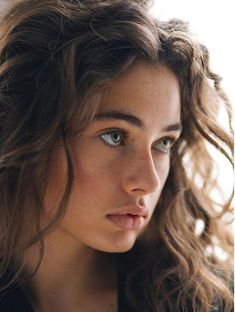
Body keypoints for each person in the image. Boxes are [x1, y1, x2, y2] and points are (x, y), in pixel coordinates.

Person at [0, 0, 233, 311]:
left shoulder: (201, 299)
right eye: (115, 136)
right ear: (29, 131)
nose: (149, 182)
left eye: (163, 143)